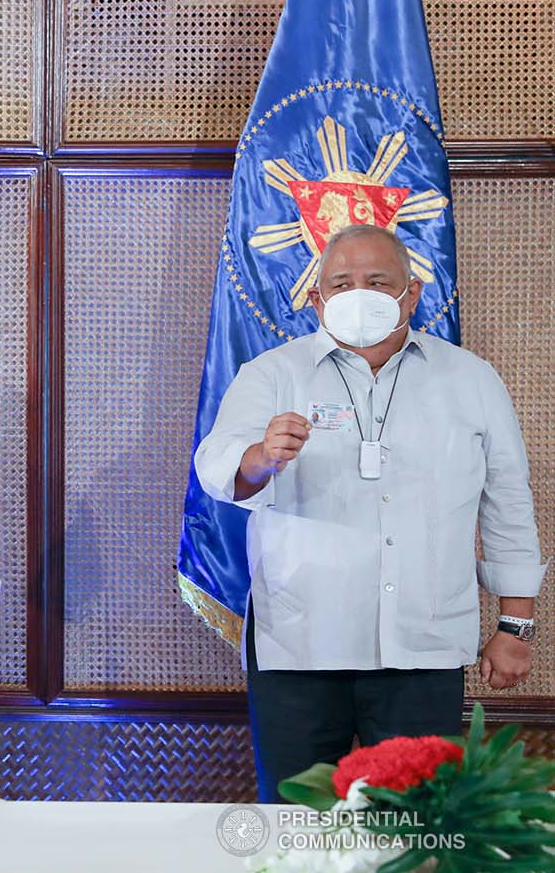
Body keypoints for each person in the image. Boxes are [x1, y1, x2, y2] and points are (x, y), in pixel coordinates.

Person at [195, 225, 546, 802]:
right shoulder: (272, 374)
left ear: (411, 294)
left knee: (414, 828)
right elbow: (218, 470)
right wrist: (261, 457)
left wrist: (514, 626)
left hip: (424, 646)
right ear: (317, 298)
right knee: (299, 826)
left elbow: (508, 504)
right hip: (300, 646)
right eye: (342, 282)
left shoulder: (471, 380)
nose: (360, 292)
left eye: (378, 281)